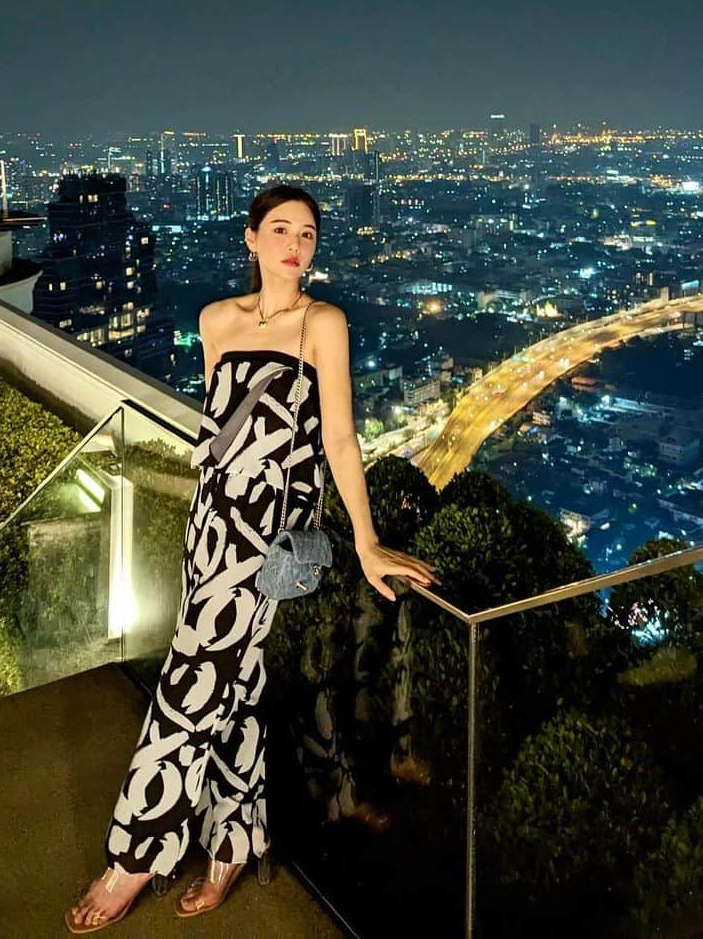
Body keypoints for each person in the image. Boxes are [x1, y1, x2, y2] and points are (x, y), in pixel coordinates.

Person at [65, 184, 437, 932]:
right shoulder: (214, 321)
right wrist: (209, 516)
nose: (294, 244)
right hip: (211, 523)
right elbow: (218, 434)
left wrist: (363, 539)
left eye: (306, 232)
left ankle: (135, 853)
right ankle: (234, 844)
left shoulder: (322, 325)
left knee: (189, 685)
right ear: (250, 238)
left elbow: (338, 440)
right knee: (228, 689)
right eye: (279, 229)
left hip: (268, 539)